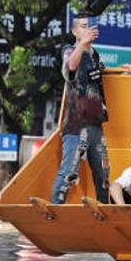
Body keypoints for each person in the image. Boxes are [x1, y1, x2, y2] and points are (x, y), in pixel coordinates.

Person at [50, 14, 111, 204]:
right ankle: (55, 211)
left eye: (90, 26)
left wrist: (124, 69)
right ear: (75, 31)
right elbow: (71, 67)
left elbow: (100, 72)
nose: (88, 29)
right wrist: (82, 44)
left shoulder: (94, 54)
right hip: (77, 125)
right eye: (83, 26)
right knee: (69, 171)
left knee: (103, 174)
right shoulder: (69, 50)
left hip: (96, 125)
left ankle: (103, 211)